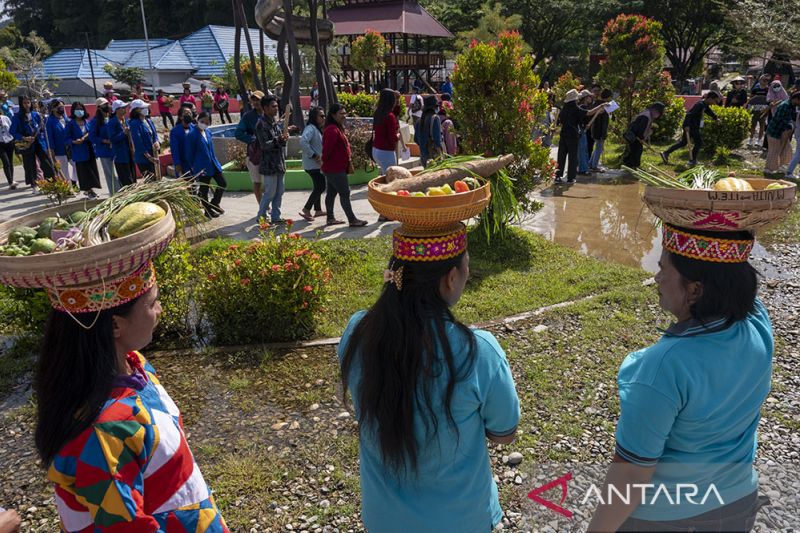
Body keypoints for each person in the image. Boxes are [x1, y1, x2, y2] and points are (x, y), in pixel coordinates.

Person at [588, 224, 771, 532]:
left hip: (670, 519)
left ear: (695, 290)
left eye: (663, 271)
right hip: (738, 501)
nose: (656, 279)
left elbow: (631, 475)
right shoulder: (757, 323)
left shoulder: (662, 367)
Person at [339, 223, 520, 532]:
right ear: (451, 279)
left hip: (383, 519)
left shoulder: (357, 332)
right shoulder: (480, 351)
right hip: (461, 521)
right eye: (466, 269)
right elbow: (504, 434)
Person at [33, 256, 228, 531]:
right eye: (151, 303)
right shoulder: (104, 433)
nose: (159, 310)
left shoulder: (134, 363)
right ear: (115, 326)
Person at [322, 103, 367, 227]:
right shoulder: (332, 130)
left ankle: (330, 218)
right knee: (345, 193)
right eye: (341, 114)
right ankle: (352, 220)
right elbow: (326, 151)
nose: (344, 116)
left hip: (335, 167)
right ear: (333, 115)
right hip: (334, 168)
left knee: (331, 193)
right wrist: (325, 163)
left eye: (344, 113)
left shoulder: (336, 128)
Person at [556, 89, 611, 182]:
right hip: (572, 135)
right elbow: (589, 113)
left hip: (563, 134)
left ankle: (557, 176)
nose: (578, 99)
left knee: (561, 156)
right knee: (572, 157)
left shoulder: (564, 109)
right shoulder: (575, 108)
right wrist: (601, 106)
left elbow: (560, 121)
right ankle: (570, 178)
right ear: (574, 99)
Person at [661, 91, 720, 166]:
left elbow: (708, 111)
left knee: (683, 142)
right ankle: (693, 160)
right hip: (691, 127)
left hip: (693, 126)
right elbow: (689, 114)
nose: (715, 103)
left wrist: (715, 118)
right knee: (698, 143)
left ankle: (666, 153)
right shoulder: (700, 105)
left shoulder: (704, 105)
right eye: (715, 101)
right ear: (710, 99)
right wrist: (686, 125)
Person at [11, 94, 55, 192]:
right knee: (30, 164)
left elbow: (42, 127)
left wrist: (42, 128)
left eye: (28, 102)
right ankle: (34, 184)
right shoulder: (17, 117)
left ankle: (51, 181)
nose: (27, 105)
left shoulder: (36, 114)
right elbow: (13, 131)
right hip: (26, 143)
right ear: (21, 104)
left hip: (38, 141)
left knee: (45, 161)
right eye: (24, 103)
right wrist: (24, 138)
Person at [255, 94, 288, 224]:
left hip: (279, 162)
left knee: (279, 191)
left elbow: (279, 142)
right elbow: (264, 145)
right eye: (273, 106)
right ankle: (261, 216)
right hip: (269, 164)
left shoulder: (274, 122)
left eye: (276, 106)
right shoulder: (261, 124)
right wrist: (278, 139)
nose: (276, 109)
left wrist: (284, 138)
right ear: (265, 107)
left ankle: (276, 216)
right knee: (269, 192)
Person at [187, 111, 226, 218]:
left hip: (213, 163)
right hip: (202, 167)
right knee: (204, 190)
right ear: (198, 120)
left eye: (207, 122)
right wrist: (193, 167)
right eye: (202, 121)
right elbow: (189, 153)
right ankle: (208, 211)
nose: (204, 124)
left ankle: (214, 203)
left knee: (222, 183)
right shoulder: (192, 134)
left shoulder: (208, 132)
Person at [234, 90, 265, 204]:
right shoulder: (248, 117)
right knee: (257, 182)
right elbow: (238, 133)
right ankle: (262, 207)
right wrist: (252, 140)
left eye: (258, 99)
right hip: (254, 155)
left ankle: (268, 206)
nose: (256, 102)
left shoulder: (269, 114)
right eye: (253, 100)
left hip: (268, 154)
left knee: (270, 182)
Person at [66, 101, 101, 199]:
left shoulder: (87, 122)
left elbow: (92, 133)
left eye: (81, 109)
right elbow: (66, 138)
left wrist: (86, 136)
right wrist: (73, 141)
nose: (79, 111)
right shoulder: (71, 124)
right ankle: (88, 190)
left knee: (91, 170)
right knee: (83, 171)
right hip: (79, 151)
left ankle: (91, 190)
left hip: (89, 148)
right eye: (77, 109)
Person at [298, 106, 327, 222]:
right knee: (321, 186)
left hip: (316, 164)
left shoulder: (316, 129)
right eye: (321, 116)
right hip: (312, 165)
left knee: (318, 186)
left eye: (324, 115)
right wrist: (314, 155)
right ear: (315, 117)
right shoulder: (310, 128)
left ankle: (318, 210)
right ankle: (306, 209)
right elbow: (303, 141)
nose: (323, 118)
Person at [88, 97, 119, 195]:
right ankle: (114, 194)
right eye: (105, 105)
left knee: (118, 173)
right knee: (110, 174)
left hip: (115, 149)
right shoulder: (95, 121)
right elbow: (92, 137)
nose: (108, 106)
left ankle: (120, 191)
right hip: (104, 151)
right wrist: (104, 141)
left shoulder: (111, 118)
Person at [621, 102, 665, 169]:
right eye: (659, 113)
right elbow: (640, 128)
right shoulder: (646, 116)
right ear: (655, 110)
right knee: (637, 150)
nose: (658, 116)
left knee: (634, 150)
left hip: (636, 136)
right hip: (634, 136)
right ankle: (635, 166)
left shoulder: (648, 114)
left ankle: (628, 163)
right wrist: (641, 138)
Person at [764, 91, 800, 173]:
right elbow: (779, 119)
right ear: (796, 99)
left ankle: (782, 166)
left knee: (787, 149)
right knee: (774, 151)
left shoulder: (792, 106)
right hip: (775, 131)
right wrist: (790, 125)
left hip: (783, 132)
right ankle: (768, 169)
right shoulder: (784, 106)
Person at [106, 100, 137, 186]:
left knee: (132, 175)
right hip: (120, 155)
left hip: (129, 152)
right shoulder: (112, 123)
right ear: (117, 110)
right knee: (125, 178)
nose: (124, 110)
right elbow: (112, 138)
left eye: (125, 108)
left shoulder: (125, 120)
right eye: (122, 108)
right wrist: (123, 133)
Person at [372, 88, 400, 174]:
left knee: (385, 176)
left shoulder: (378, 112)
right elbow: (393, 137)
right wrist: (398, 136)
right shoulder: (389, 116)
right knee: (391, 179)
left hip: (376, 149)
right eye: (394, 99)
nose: (395, 101)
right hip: (386, 151)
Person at [128, 99, 160, 175]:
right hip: (144, 159)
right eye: (142, 108)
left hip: (153, 154)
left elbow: (154, 134)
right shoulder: (134, 124)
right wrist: (149, 157)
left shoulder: (148, 120)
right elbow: (138, 142)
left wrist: (156, 141)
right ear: (136, 110)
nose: (146, 109)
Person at [46, 99, 74, 183]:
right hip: (59, 150)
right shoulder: (50, 121)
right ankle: (68, 188)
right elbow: (49, 137)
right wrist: (51, 150)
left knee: (76, 166)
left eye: (62, 106)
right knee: (63, 171)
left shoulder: (66, 119)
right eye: (59, 107)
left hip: (70, 148)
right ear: (53, 109)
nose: (61, 108)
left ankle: (74, 181)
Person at [414, 95, 446, 168]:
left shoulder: (419, 121)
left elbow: (416, 139)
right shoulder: (435, 118)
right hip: (434, 157)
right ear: (434, 107)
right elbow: (437, 140)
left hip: (423, 157)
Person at [589, 88, 613, 172]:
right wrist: (603, 134)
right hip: (599, 130)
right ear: (608, 97)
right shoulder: (605, 105)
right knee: (599, 148)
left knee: (597, 147)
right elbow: (604, 121)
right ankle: (594, 166)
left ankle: (591, 163)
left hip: (594, 128)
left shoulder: (596, 103)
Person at [170, 107, 195, 177]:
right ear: (181, 117)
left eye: (190, 113)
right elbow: (174, 150)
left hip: (194, 164)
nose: (189, 115)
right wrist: (177, 164)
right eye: (186, 113)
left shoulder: (195, 128)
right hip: (183, 165)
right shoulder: (175, 131)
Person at [577, 90, 594, 175]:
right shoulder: (583, 107)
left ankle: (583, 167)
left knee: (583, 149)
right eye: (589, 96)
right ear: (585, 98)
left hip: (583, 130)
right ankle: (582, 169)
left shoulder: (584, 106)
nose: (591, 98)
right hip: (581, 130)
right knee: (582, 150)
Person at [0, 108, 16, 189]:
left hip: (9, 142)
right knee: (5, 162)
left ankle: (11, 180)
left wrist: (14, 140)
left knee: (10, 162)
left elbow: (12, 129)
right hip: (0, 144)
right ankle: (10, 182)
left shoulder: (5, 118)